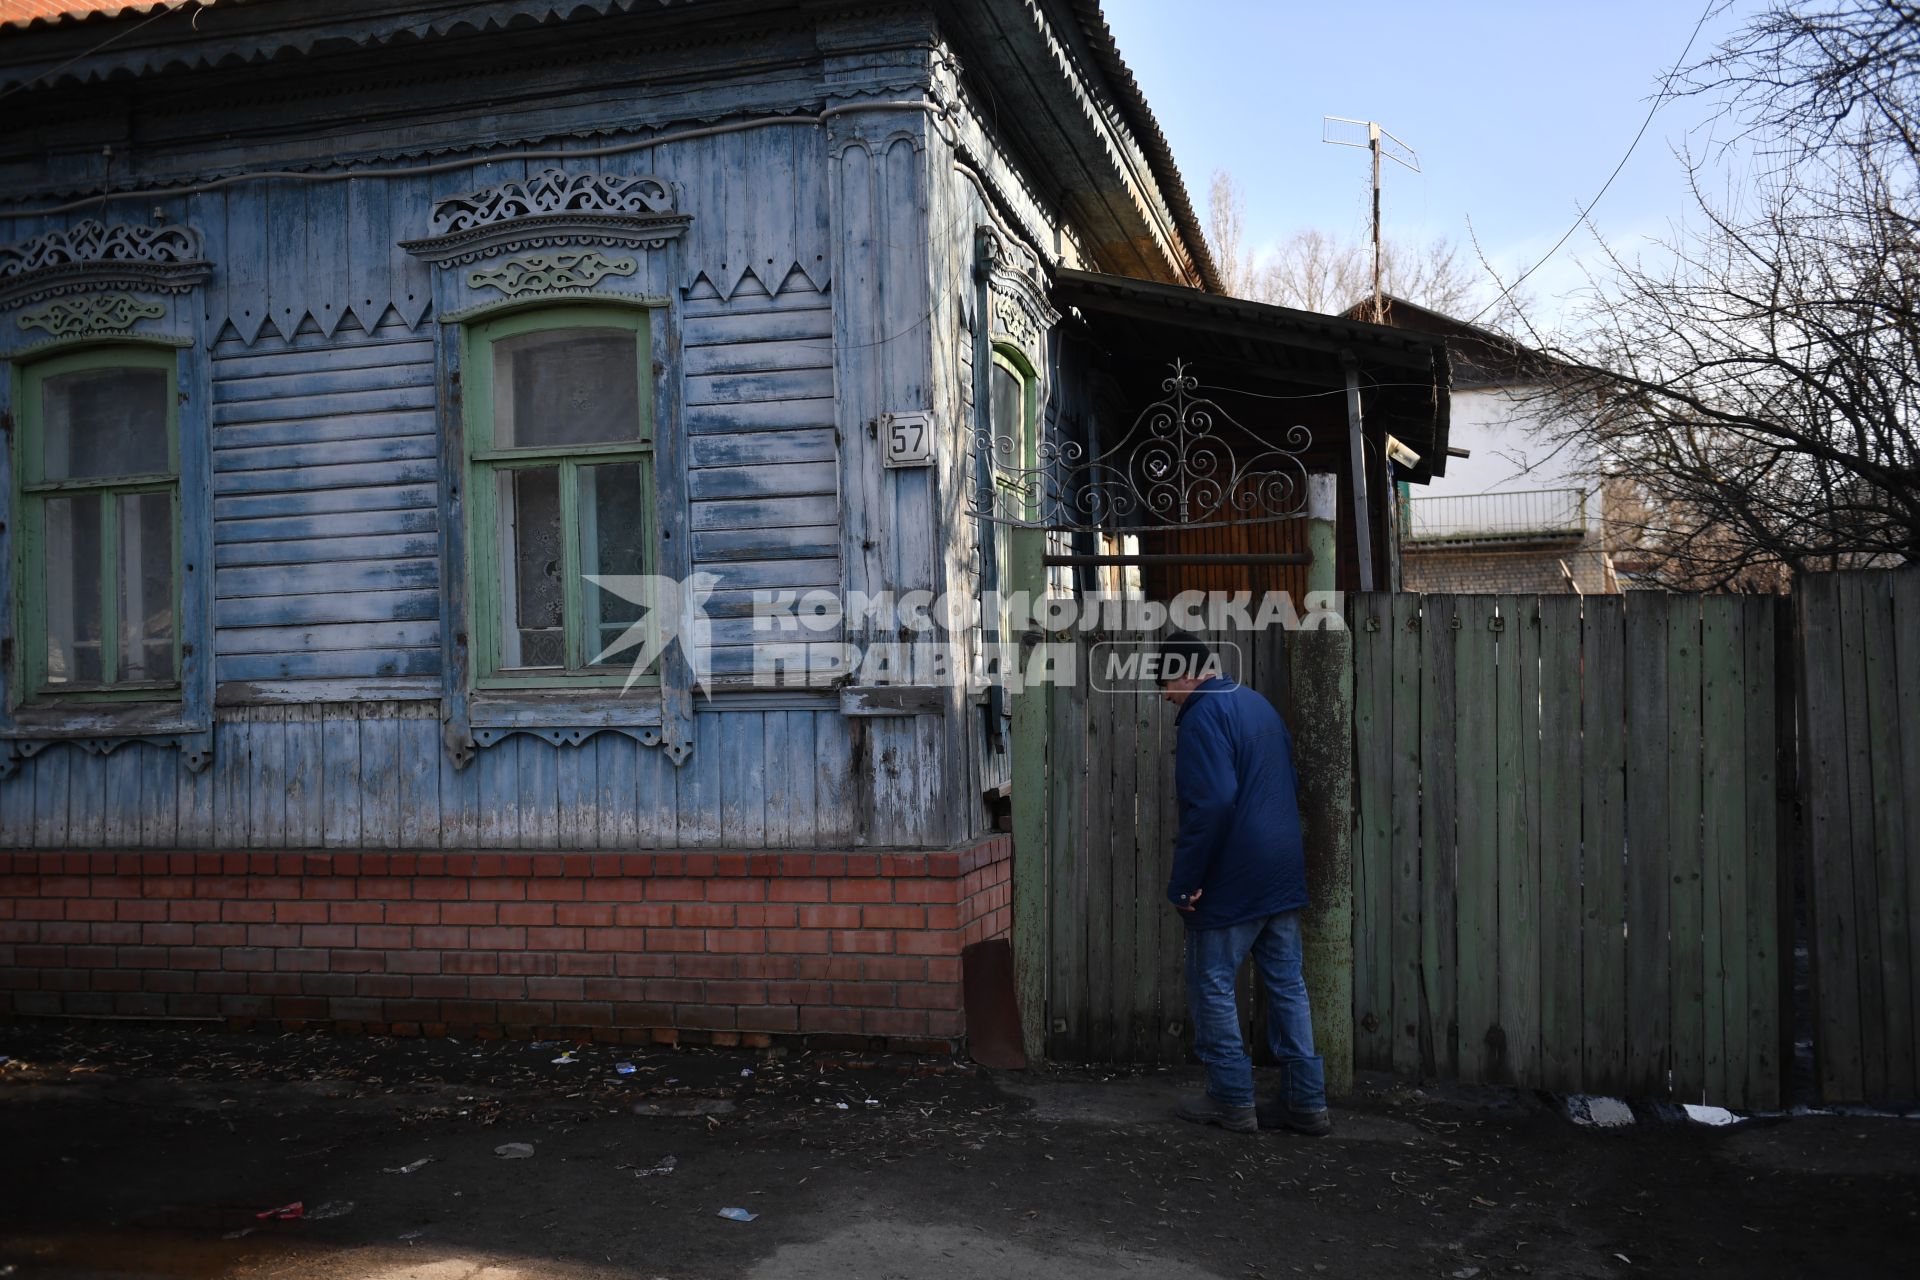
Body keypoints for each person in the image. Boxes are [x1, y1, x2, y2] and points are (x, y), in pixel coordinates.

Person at [1156, 630, 1330, 1137]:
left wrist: (1187, 882)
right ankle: (1307, 1103)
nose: (1165, 696)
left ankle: (1232, 1098)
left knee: (1211, 983)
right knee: (1287, 984)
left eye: (1166, 683)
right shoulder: (1257, 706)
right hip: (1281, 869)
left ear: (1187, 674)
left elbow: (1211, 803)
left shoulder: (1204, 716)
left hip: (1236, 873)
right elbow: (1285, 785)